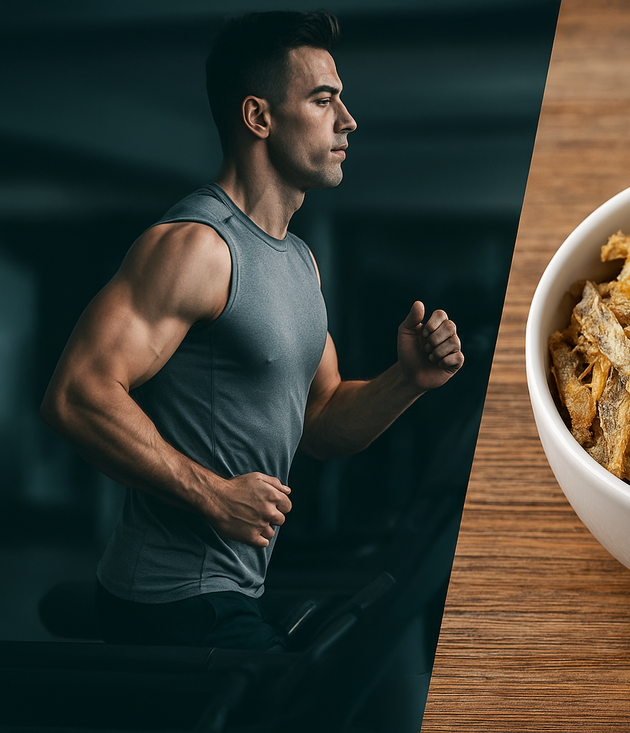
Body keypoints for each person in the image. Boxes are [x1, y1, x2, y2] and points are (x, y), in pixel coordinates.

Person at [39, 10, 463, 651]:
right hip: (169, 596)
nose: (348, 121)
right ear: (259, 118)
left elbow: (319, 423)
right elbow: (76, 394)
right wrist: (211, 495)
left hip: (238, 588)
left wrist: (408, 381)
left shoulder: (299, 262)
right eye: (324, 101)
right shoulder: (196, 247)